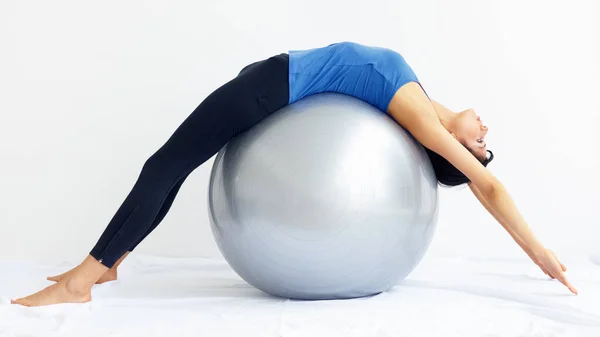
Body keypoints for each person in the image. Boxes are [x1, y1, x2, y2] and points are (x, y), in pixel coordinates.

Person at [11, 41, 577, 307]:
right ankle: (110, 266)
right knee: (171, 166)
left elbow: (489, 187)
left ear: (454, 147)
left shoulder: (423, 122)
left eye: (480, 145)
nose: (485, 131)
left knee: (166, 165)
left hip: (270, 88)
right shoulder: (421, 104)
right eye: (486, 139)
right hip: (270, 83)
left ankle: (81, 281)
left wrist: (539, 252)